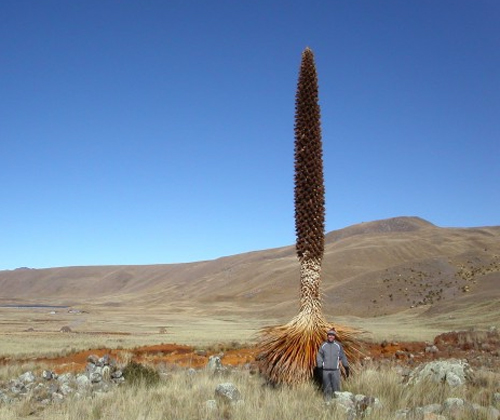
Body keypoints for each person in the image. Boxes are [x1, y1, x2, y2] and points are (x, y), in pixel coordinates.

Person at [316, 328, 350, 401]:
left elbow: (342, 356)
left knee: (336, 388)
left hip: (335, 371)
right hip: (325, 371)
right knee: (326, 388)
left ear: (334, 336)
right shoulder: (323, 345)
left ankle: (337, 403)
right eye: (329, 335)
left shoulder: (338, 346)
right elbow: (319, 356)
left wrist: (346, 367)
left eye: (332, 335)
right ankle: (327, 403)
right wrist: (319, 367)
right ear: (327, 336)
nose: (331, 336)